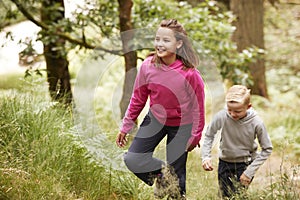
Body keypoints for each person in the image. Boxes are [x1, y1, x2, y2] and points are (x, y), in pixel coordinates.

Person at [116, 19, 205, 199]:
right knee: (133, 159)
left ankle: (173, 184)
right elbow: (138, 98)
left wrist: (195, 135)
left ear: (179, 44)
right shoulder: (148, 66)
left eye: (166, 40)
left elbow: (198, 108)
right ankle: (162, 174)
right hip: (155, 119)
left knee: (177, 179)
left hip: (182, 125)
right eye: (157, 39)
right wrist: (126, 125)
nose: (159, 44)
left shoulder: (190, 73)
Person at [201, 85, 273, 198]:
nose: (233, 114)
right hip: (224, 163)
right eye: (229, 110)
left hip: (245, 165)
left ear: (248, 106)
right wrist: (206, 156)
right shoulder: (221, 116)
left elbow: (267, 149)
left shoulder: (256, 122)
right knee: (224, 196)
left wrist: (249, 172)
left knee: (239, 196)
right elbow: (209, 135)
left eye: (238, 111)